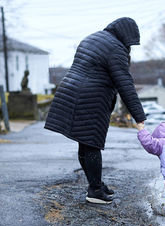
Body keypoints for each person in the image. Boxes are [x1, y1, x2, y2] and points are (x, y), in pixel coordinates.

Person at [45, 18, 146, 204]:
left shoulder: (93, 38)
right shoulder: (116, 49)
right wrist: (139, 117)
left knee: (84, 143)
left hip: (71, 91)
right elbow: (125, 84)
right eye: (130, 43)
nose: (129, 47)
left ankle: (96, 183)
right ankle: (95, 191)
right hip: (90, 98)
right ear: (125, 37)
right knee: (92, 143)